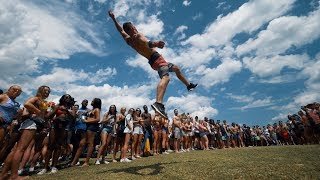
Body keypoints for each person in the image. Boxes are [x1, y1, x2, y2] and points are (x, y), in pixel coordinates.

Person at [108, 10, 197, 119]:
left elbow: (120, 30)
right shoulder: (138, 36)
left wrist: (113, 19)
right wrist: (157, 44)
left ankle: (188, 85)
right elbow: (147, 43)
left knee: (176, 68)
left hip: (156, 61)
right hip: (157, 60)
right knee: (166, 78)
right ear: (132, 28)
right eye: (133, 27)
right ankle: (158, 103)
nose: (135, 28)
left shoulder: (128, 40)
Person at [1, 85, 50, 179]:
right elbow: (27, 104)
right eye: (45, 90)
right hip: (31, 124)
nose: (47, 92)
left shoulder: (43, 101)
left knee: (16, 150)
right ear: (40, 90)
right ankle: (14, 175)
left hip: (32, 124)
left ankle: (3, 174)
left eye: (48, 91)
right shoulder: (36, 98)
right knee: (20, 149)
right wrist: (38, 112)